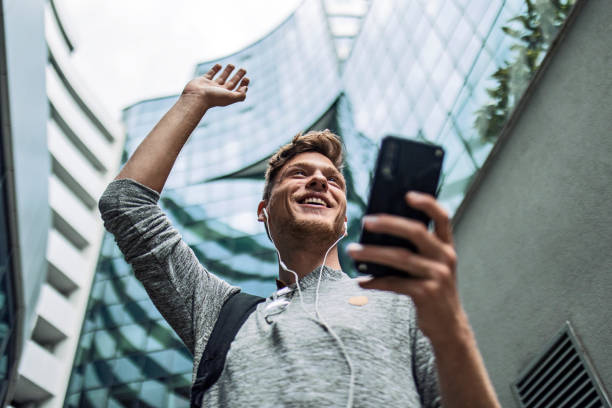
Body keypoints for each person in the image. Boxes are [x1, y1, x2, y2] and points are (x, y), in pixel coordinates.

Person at [99, 63, 500, 407]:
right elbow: (125, 205)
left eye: (333, 180)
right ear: (263, 211)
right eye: (299, 174)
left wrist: (453, 328)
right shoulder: (218, 314)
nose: (319, 182)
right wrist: (193, 100)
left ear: (344, 222)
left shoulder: (405, 304)